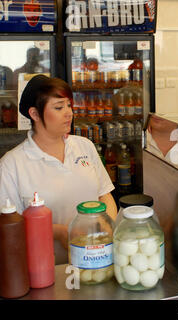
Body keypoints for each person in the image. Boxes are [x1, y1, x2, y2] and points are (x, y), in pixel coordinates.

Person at [0, 75, 117, 264]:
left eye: (69, 105)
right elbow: (12, 227)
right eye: (58, 107)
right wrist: (60, 232)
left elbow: (105, 194)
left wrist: (109, 227)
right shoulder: (12, 165)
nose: (69, 113)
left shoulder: (84, 146)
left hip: (98, 261)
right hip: (47, 270)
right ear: (35, 114)